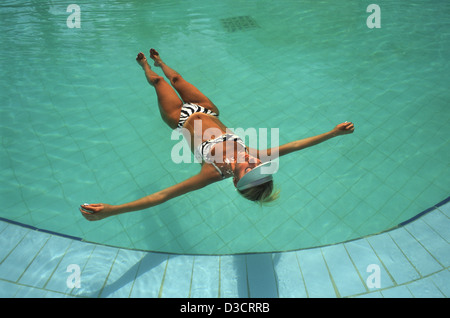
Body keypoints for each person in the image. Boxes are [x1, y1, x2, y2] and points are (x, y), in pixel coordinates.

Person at [80, 49, 355, 221]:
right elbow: (295, 146)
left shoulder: (212, 173)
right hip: (208, 110)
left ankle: (147, 68)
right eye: (260, 167)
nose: (255, 164)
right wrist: (332, 133)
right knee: (176, 79)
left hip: (180, 119)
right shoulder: (253, 156)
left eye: (251, 171)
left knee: (159, 83)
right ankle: (161, 60)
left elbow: (162, 196)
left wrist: (113, 210)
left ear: (236, 180)